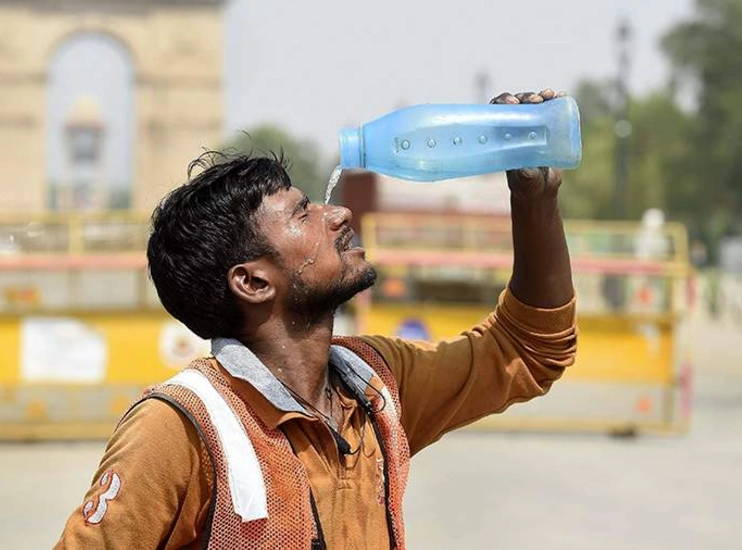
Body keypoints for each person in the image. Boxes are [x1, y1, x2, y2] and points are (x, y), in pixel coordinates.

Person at [56, 89, 578, 549]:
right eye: (303, 213)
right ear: (254, 282)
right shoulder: (181, 429)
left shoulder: (375, 388)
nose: (339, 214)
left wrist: (534, 201)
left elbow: (528, 350)